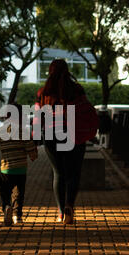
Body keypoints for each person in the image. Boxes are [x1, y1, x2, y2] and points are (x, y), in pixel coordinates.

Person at [33, 59, 99, 225]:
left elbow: (37, 116)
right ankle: (70, 206)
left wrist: (34, 137)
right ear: (67, 70)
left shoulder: (43, 92)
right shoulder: (76, 89)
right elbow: (85, 110)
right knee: (73, 173)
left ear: (50, 71)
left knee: (58, 173)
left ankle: (61, 213)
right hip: (73, 133)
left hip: (51, 135)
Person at [0, 103, 38, 226]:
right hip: (21, 169)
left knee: (5, 192)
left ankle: (6, 207)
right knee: (18, 194)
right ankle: (17, 216)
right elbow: (31, 149)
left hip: (6, 170)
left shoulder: (1, 131)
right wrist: (33, 156)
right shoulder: (24, 131)